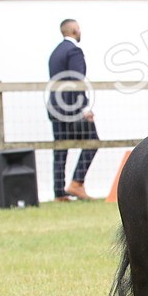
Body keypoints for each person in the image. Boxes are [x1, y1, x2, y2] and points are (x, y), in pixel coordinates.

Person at [47, 18, 98, 200]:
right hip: (72, 108)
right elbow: (77, 80)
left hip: (55, 106)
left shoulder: (55, 53)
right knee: (92, 141)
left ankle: (59, 192)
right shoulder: (74, 51)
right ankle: (77, 183)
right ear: (75, 30)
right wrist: (85, 108)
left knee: (60, 148)